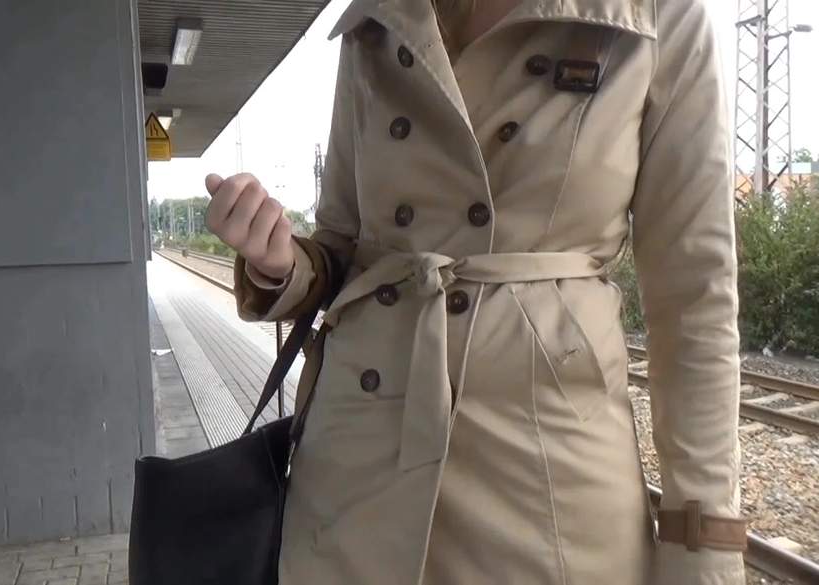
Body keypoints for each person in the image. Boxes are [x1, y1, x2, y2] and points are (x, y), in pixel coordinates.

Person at [204, 0, 747, 583]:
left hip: (545, 468)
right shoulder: (378, 20)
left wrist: (704, 541)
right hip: (356, 461)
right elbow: (343, 246)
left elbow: (695, 299)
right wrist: (279, 263)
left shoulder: (654, 17)